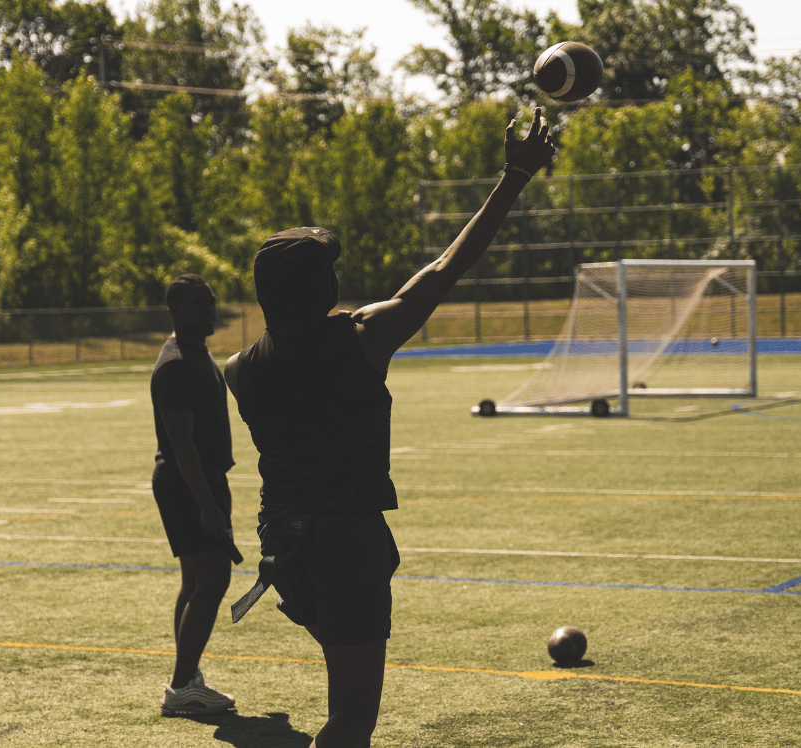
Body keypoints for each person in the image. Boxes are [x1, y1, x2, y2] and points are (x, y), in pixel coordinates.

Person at [225, 109, 556, 747]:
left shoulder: (239, 368)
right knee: (350, 716)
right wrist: (513, 177)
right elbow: (443, 272)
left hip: (285, 543)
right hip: (345, 540)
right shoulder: (361, 339)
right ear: (318, 284)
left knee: (343, 685)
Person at [150, 273, 240, 717]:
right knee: (213, 581)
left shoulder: (193, 354)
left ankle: (187, 677)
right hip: (190, 483)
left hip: (197, 481)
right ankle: (182, 685)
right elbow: (180, 442)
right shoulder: (177, 365)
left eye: (211, 301)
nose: (210, 309)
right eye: (199, 304)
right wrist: (207, 504)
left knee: (195, 581)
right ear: (176, 311)